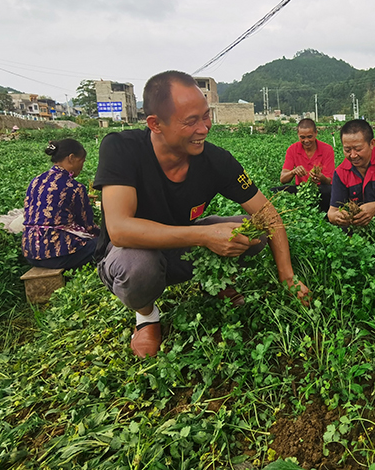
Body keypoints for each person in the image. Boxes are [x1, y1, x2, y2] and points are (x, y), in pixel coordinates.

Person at [93, 71, 308, 359]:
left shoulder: (215, 160)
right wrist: (205, 235)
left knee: (252, 232)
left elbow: (268, 214)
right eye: (190, 121)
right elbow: (120, 229)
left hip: (183, 245)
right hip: (131, 252)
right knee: (138, 267)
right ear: (155, 124)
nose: (204, 128)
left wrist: (287, 276)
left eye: (205, 116)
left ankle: (214, 284)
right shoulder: (122, 149)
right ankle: (146, 317)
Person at [22, 138, 100, 270]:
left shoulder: (35, 181)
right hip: (59, 255)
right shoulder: (74, 187)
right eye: (82, 161)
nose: (82, 166)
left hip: (30, 253)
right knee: (104, 243)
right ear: (71, 158)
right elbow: (88, 226)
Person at [274, 118, 335, 212]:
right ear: (298, 135)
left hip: (320, 189)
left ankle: (326, 217)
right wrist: (293, 172)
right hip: (301, 189)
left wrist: (321, 177)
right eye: (302, 137)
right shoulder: (293, 149)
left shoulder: (327, 149)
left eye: (310, 136)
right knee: (274, 192)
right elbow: (283, 179)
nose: (306, 140)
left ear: (316, 133)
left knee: (329, 191)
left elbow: (329, 180)